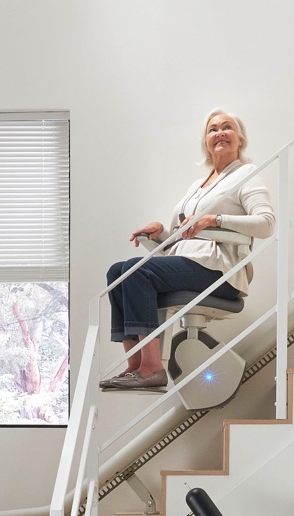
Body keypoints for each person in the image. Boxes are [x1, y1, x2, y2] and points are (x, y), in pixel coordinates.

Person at [101, 109, 276, 391]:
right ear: (206, 142)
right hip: (187, 261)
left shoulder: (246, 174)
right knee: (118, 271)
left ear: (240, 139)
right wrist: (162, 232)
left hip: (218, 270)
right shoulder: (197, 185)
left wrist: (215, 219)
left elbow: (267, 224)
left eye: (227, 127)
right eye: (212, 129)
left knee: (136, 272)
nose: (219, 133)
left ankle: (152, 368)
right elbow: (183, 236)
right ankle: (135, 366)